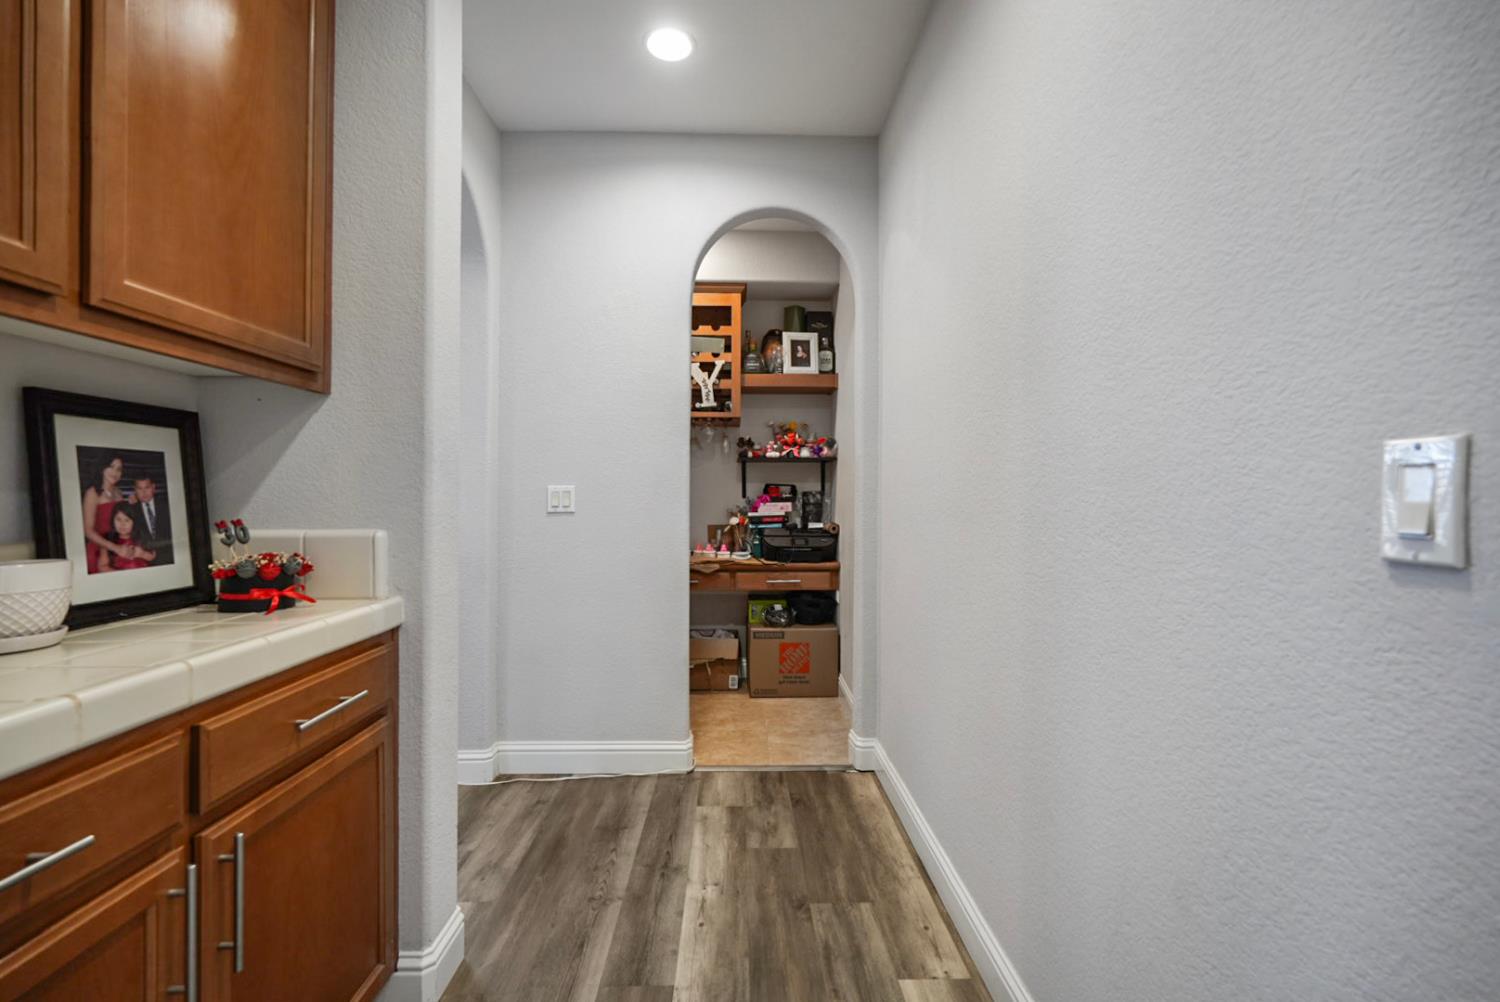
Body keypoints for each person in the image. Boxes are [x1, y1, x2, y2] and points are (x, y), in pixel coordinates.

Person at [82, 455, 138, 574]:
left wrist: (132, 505)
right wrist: (115, 548)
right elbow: (88, 531)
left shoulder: (118, 492)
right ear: (102, 468)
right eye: (111, 467)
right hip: (100, 549)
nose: (115, 472)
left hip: (118, 546)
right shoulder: (92, 492)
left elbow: (121, 518)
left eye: (119, 469)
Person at [128, 476, 172, 565]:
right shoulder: (132, 511)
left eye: (147, 487)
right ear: (135, 490)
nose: (144, 492)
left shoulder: (167, 505)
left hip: (171, 558)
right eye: (139, 488)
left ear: (153, 487)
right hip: (146, 561)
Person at [96, 505, 155, 572]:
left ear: (134, 522)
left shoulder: (141, 536)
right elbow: (102, 567)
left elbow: (153, 556)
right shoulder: (108, 541)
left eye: (127, 520)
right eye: (118, 519)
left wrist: (142, 554)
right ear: (113, 520)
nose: (122, 524)